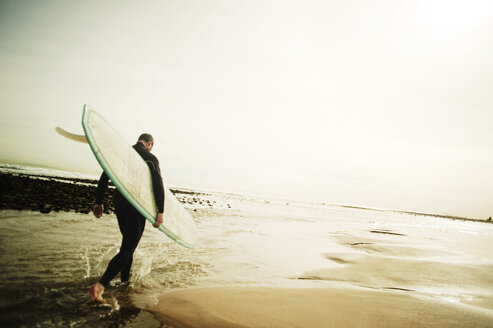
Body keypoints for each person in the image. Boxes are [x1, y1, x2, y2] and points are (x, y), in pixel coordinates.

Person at [89, 133, 165, 302]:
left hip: (120, 201)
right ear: (150, 144)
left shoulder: (122, 153)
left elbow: (104, 177)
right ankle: (101, 285)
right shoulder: (150, 158)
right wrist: (160, 211)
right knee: (129, 248)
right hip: (137, 204)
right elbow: (158, 185)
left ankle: (125, 282)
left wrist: (99, 202)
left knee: (127, 243)